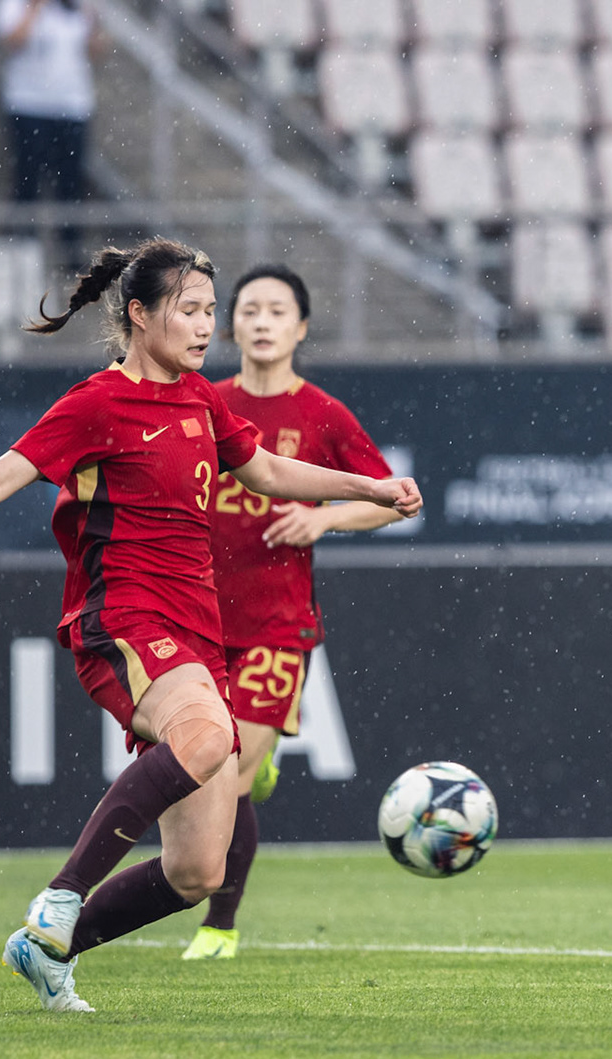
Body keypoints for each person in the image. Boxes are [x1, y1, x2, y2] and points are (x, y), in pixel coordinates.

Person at [0, 238, 422, 1012]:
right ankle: (59, 897)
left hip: (198, 631)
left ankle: (50, 949)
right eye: (189, 311)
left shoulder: (202, 399)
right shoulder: (96, 403)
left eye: (208, 312)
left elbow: (268, 472)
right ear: (139, 314)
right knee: (209, 739)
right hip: (121, 616)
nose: (204, 327)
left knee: (198, 872)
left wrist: (371, 487)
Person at [180, 264, 402, 961]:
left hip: (279, 624)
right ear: (228, 325)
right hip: (201, 621)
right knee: (206, 775)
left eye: (278, 310)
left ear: (301, 327)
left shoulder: (323, 415)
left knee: (231, 772)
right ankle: (262, 763)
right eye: (248, 310)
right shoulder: (203, 404)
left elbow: (386, 497)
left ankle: (219, 925)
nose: (262, 321)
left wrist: (324, 521)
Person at [0, 0, 107, 265]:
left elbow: (95, 49)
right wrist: (35, 7)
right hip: (29, 103)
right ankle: (23, 248)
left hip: (72, 105)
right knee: (28, 179)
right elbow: (13, 39)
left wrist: (93, 20)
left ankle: (70, 250)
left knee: (71, 182)